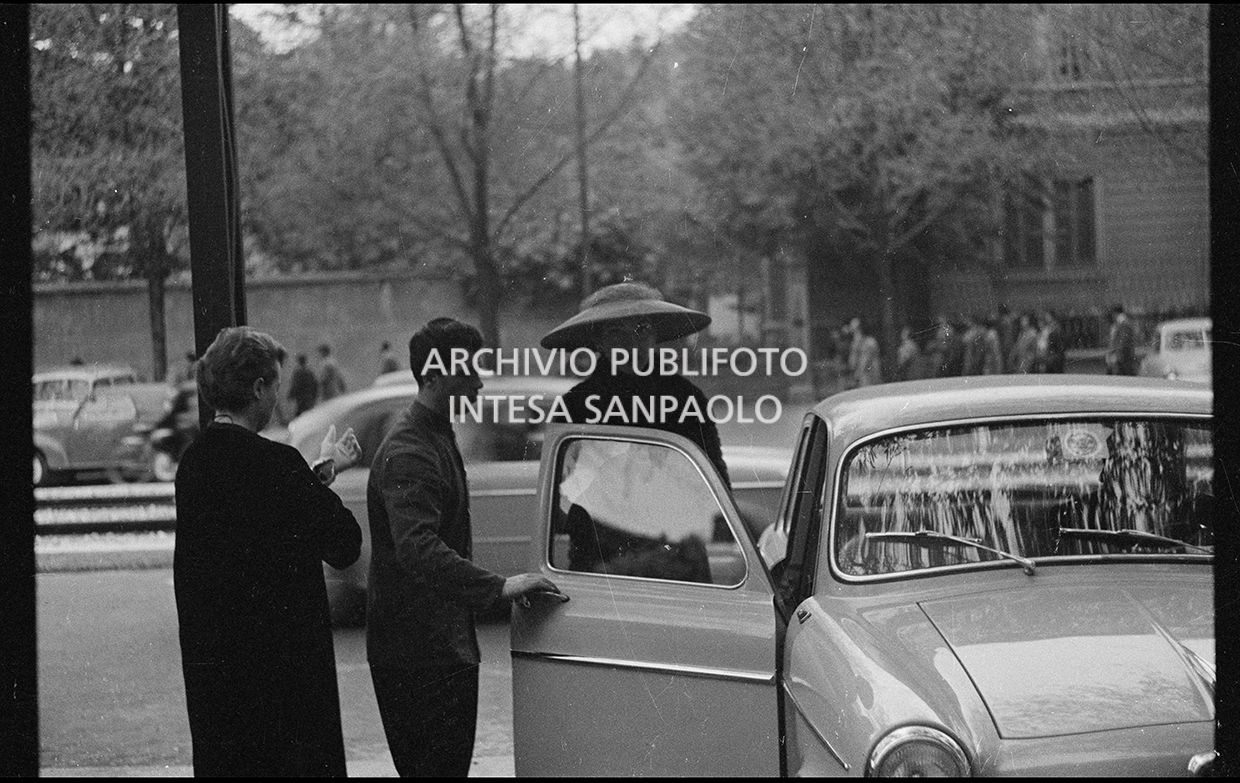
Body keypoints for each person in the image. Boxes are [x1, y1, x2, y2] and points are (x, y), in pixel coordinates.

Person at [367, 318, 565, 778]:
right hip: (421, 654)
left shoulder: (431, 435)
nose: (478, 381)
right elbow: (418, 548)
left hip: (433, 647)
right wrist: (500, 587)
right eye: (467, 370)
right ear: (433, 376)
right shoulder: (412, 449)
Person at [173, 326, 363, 777]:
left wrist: (318, 473)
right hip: (284, 681)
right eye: (274, 386)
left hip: (218, 678)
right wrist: (315, 479)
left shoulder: (194, 464)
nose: (277, 397)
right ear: (258, 388)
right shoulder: (277, 464)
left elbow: (253, 517)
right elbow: (344, 545)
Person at [541, 281, 730, 487]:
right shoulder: (575, 405)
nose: (631, 343)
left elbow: (713, 475)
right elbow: (561, 484)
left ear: (655, 335)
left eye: (642, 329)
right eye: (616, 332)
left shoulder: (685, 397)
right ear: (598, 341)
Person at [847, 316, 882, 387]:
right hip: (861, 380)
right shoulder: (854, 344)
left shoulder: (870, 342)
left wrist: (857, 375)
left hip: (870, 380)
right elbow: (852, 363)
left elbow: (865, 363)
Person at [1106, 305, 1139, 376]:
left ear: (1115, 313)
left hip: (1122, 357)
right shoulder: (1123, 324)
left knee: (1122, 377)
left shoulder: (1122, 324)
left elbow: (1122, 341)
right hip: (1123, 356)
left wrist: (1116, 354)